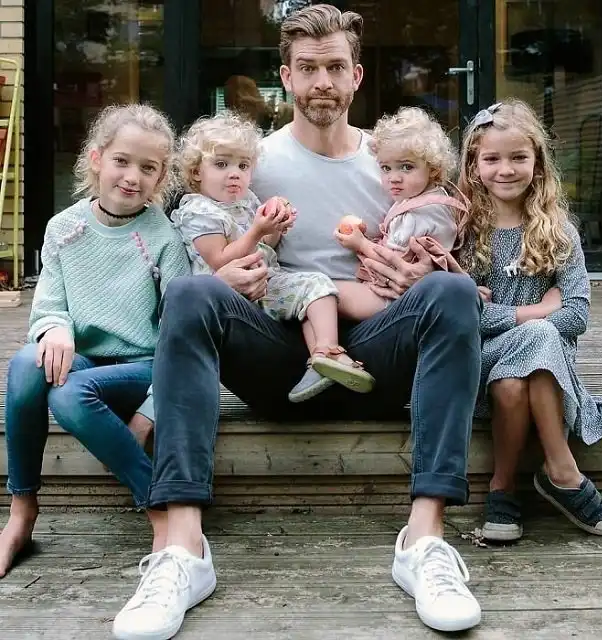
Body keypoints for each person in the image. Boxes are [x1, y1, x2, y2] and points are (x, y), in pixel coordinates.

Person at [112, 6, 482, 639]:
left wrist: (424, 270)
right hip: (278, 357)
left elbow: (439, 246)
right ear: (286, 77)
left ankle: (424, 541)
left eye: (335, 67)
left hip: (375, 357)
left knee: (452, 291)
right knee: (193, 293)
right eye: (307, 68)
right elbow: (200, 248)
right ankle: (183, 549)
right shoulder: (252, 163)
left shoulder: (391, 164)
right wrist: (226, 278)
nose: (322, 83)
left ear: (357, 75)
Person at [0, 104, 190, 577]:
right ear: (96, 159)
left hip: (142, 369)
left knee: (68, 393)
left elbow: (182, 338)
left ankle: (157, 506)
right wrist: (56, 329)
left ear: (161, 176)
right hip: (85, 360)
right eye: (122, 161)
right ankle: (22, 510)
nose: (133, 177)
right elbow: (48, 307)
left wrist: (151, 410)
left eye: (148, 168)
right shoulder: (63, 228)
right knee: (25, 366)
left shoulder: (164, 238)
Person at [457, 99, 602, 542]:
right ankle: (561, 470)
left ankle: (502, 488)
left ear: (537, 162)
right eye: (492, 159)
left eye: (518, 157)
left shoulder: (558, 231)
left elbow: (577, 315)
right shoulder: (464, 232)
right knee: (538, 332)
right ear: (474, 165)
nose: (505, 169)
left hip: (544, 370)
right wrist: (534, 312)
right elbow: (464, 317)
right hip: (484, 361)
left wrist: (519, 319)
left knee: (517, 378)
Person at [170, 112, 374, 402]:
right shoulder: (198, 211)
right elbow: (219, 259)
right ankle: (327, 355)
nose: (234, 173)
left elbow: (267, 245)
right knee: (314, 288)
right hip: (231, 301)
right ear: (196, 172)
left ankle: (325, 355)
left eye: (243, 166)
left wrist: (276, 225)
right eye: (221, 164)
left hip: (265, 284)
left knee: (317, 286)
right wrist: (257, 230)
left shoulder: (246, 202)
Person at [334, 105, 469, 320]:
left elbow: (394, 263)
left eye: (406, 167)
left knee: (324, 293)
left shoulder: (421, 212)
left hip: (397, 299)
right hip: (404, 294)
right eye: (386, 168)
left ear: (433, 168)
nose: (394, 178)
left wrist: (360, 244)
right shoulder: (422, 197)